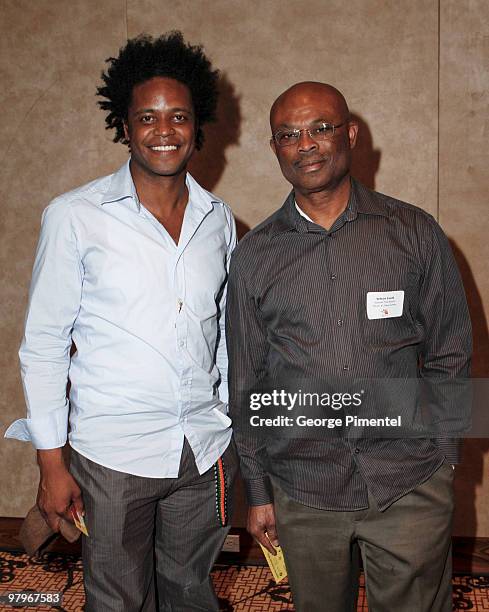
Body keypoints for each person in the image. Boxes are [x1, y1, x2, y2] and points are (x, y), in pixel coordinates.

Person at [5, 32, 238, 612]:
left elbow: (225, 339)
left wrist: (232, 427)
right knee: (118, 601)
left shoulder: (220, 220)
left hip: (202, 450)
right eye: (148, 117)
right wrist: (50, 462)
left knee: (190, 591)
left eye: (178, 116)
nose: (165, 130)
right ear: (126, 126)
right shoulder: (75, 217)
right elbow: (43, 347)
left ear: (198, 123)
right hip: (112, 455)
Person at [226, 81, 471, 612]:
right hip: (303, 485)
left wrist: (446, 458)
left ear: (351, 134)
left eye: (320, 128)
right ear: (275, 150)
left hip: (409, 479)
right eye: (288, 135)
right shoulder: (255, 257)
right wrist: (260, 491)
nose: (305, 144)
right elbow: (248, 383)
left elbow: (451, 352)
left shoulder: (414, 232)